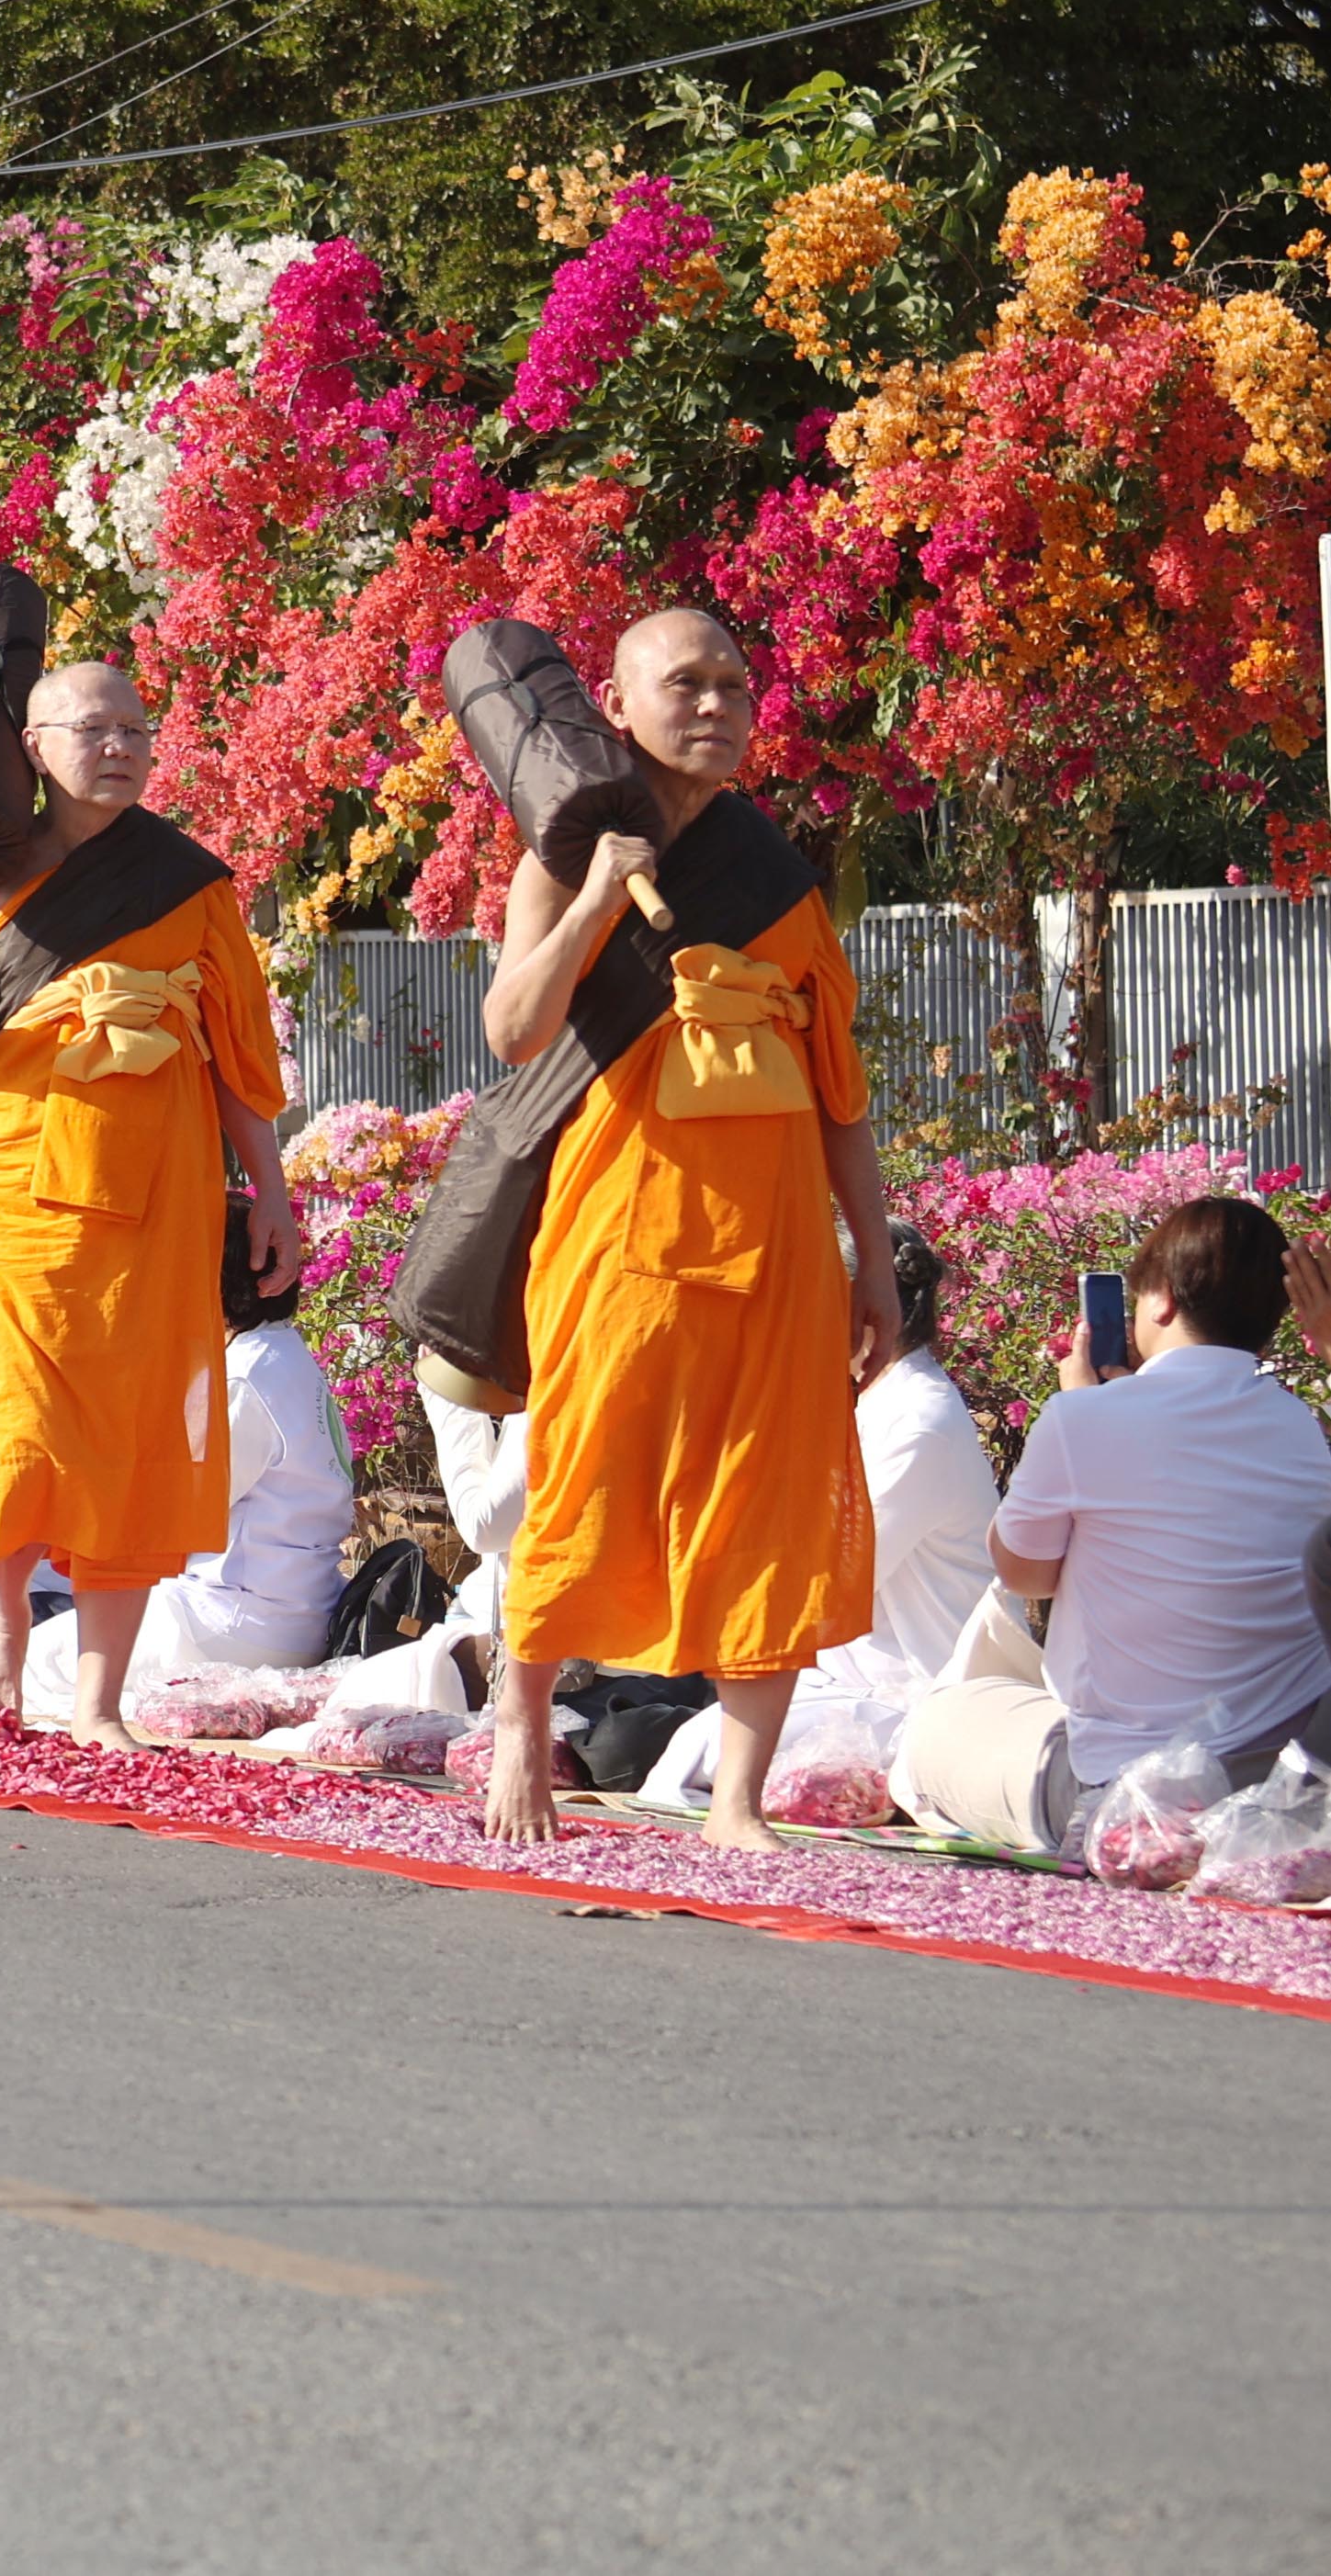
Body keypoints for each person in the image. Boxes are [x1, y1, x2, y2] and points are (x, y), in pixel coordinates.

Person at [452, 607, 899, 1848]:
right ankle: (521, 1722)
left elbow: (839, 1093)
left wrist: (872, 1260)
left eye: (734, 685)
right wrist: (595, 898)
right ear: (614, 703)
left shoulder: (776, 877)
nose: (713, 706)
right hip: (621, 1233)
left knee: (773, 1495)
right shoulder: (565, 853)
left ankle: (738, 1800)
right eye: (684, 684)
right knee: (584, 1475)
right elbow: (512, 1032)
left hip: (779, 1244)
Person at [0, 660, 297, 1746]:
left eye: (136, 728)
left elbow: (238, 1060)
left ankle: (98, 1701)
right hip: (16, 1190)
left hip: (157, 1192)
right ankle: (2, 1623)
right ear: (35, 746)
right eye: (93, 729)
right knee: (18, 1408)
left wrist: (269, 1193)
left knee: (134, 1423)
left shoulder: (188, 883)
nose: (119, 746)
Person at [891, 1194, 1331, 1859]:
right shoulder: (1302, 1428)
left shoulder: (1084, 1418)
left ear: (1161, 1301)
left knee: (932, 1726)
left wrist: (1077, 1414)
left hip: (1126, 1791)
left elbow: (1023, 1575)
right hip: (1266, 1780)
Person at [642, 1220, 1007, 1807]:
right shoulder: (877, 1403)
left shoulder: (917, 1422)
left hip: (916, 1695)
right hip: (846, 1682)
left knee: (702, 1754)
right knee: (684, 1748)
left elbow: (821, 1581)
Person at [25, 1199, 354, 1715]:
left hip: (237, 1619)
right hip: (278, 1612)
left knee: (35, 1663)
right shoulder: (276, 1353)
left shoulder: (244, 1377)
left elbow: (171, 1512)